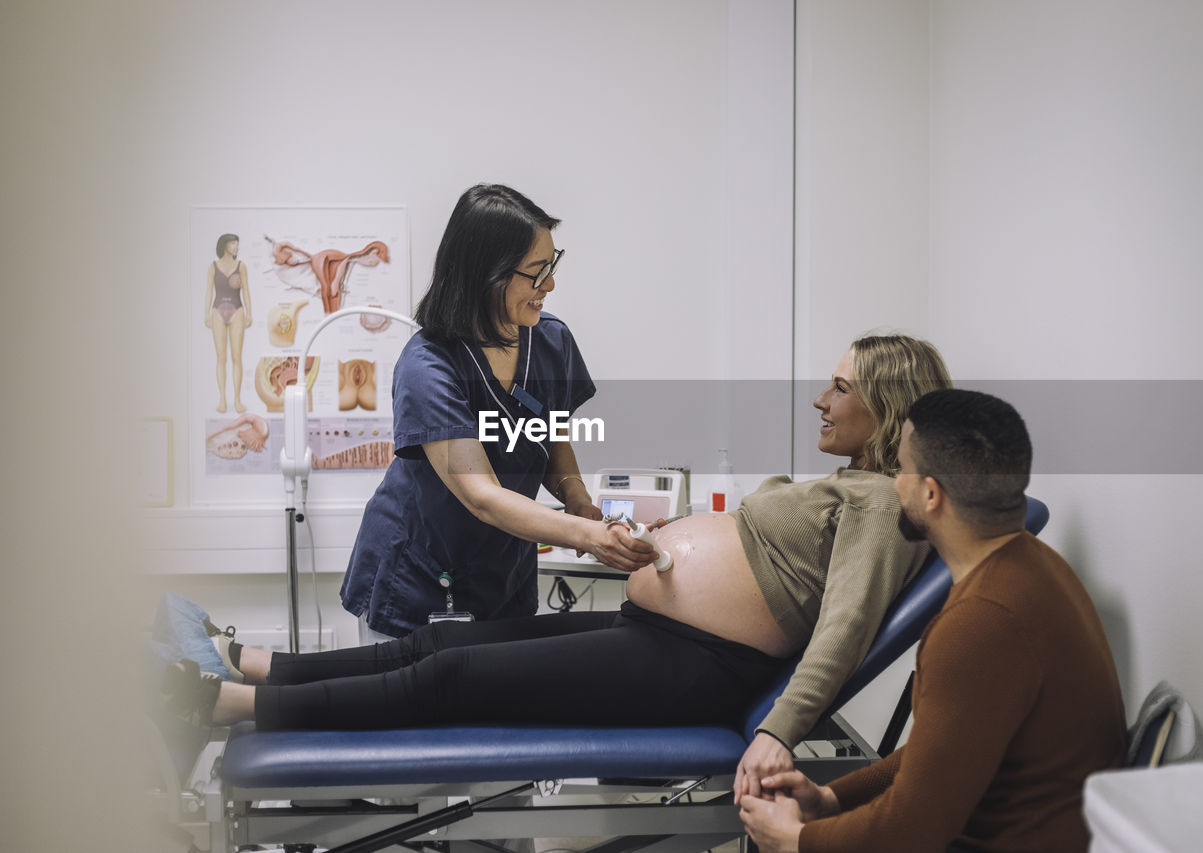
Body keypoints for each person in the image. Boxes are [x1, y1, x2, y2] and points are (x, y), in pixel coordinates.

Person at [165, 335, 953, 798]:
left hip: (695, 666)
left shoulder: (885, 502)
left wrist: (781, 730)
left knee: (451, 682)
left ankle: (224, 704)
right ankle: (251, 661)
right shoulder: (853, 486)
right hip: (662, 634)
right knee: (442, 648)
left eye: (841, 387)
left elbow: (846, 623)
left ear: (889, 407)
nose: (822, 397)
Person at [739, 389, 1127, 853]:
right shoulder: (1035, 566)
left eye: (900, 471)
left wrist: (796, 841)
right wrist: (830, 798)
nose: (893, 485)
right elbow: (939, 753)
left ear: (930, 493)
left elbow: (911, 831)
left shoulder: (980, 622)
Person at [336, 184, 650, 640]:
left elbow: (552, 443)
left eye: (553, 264)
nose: (551, 284)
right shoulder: (429, 366)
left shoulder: (550, 342)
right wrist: (589, 538)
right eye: (538, 272)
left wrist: (579, 504)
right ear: (488, 274)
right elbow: (481, 495)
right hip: (418, 581)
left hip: (505, 578)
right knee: (413, 708)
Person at [203, 233, 252, 413]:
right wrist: (206, 313)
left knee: (236, 357)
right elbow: (209, 290)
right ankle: (222, 398)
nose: (236, 247)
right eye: (233, 243)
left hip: (237, 310)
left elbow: (246, 290)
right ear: (225, 245)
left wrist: (249, 312)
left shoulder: (241, 266)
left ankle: (237, 400)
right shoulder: (213, 267)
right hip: (217, 311)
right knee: (221, 357)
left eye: (237, 244)